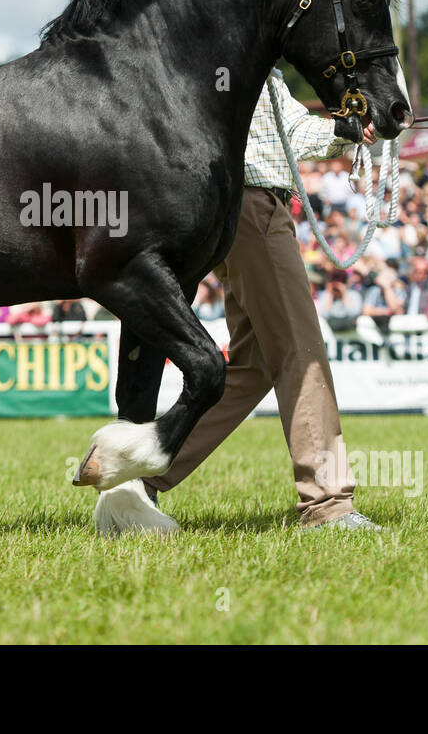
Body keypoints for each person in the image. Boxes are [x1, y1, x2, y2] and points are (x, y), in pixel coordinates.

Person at [94, 69, 383, 535]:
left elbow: (290, 129)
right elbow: (277, 138)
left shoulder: (250, 63)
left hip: (242, 206)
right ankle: (327, 503)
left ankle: (138, 468)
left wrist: (345, 130)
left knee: (256, 364)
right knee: (300, 351)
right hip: (254, 204)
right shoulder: (238, 56)